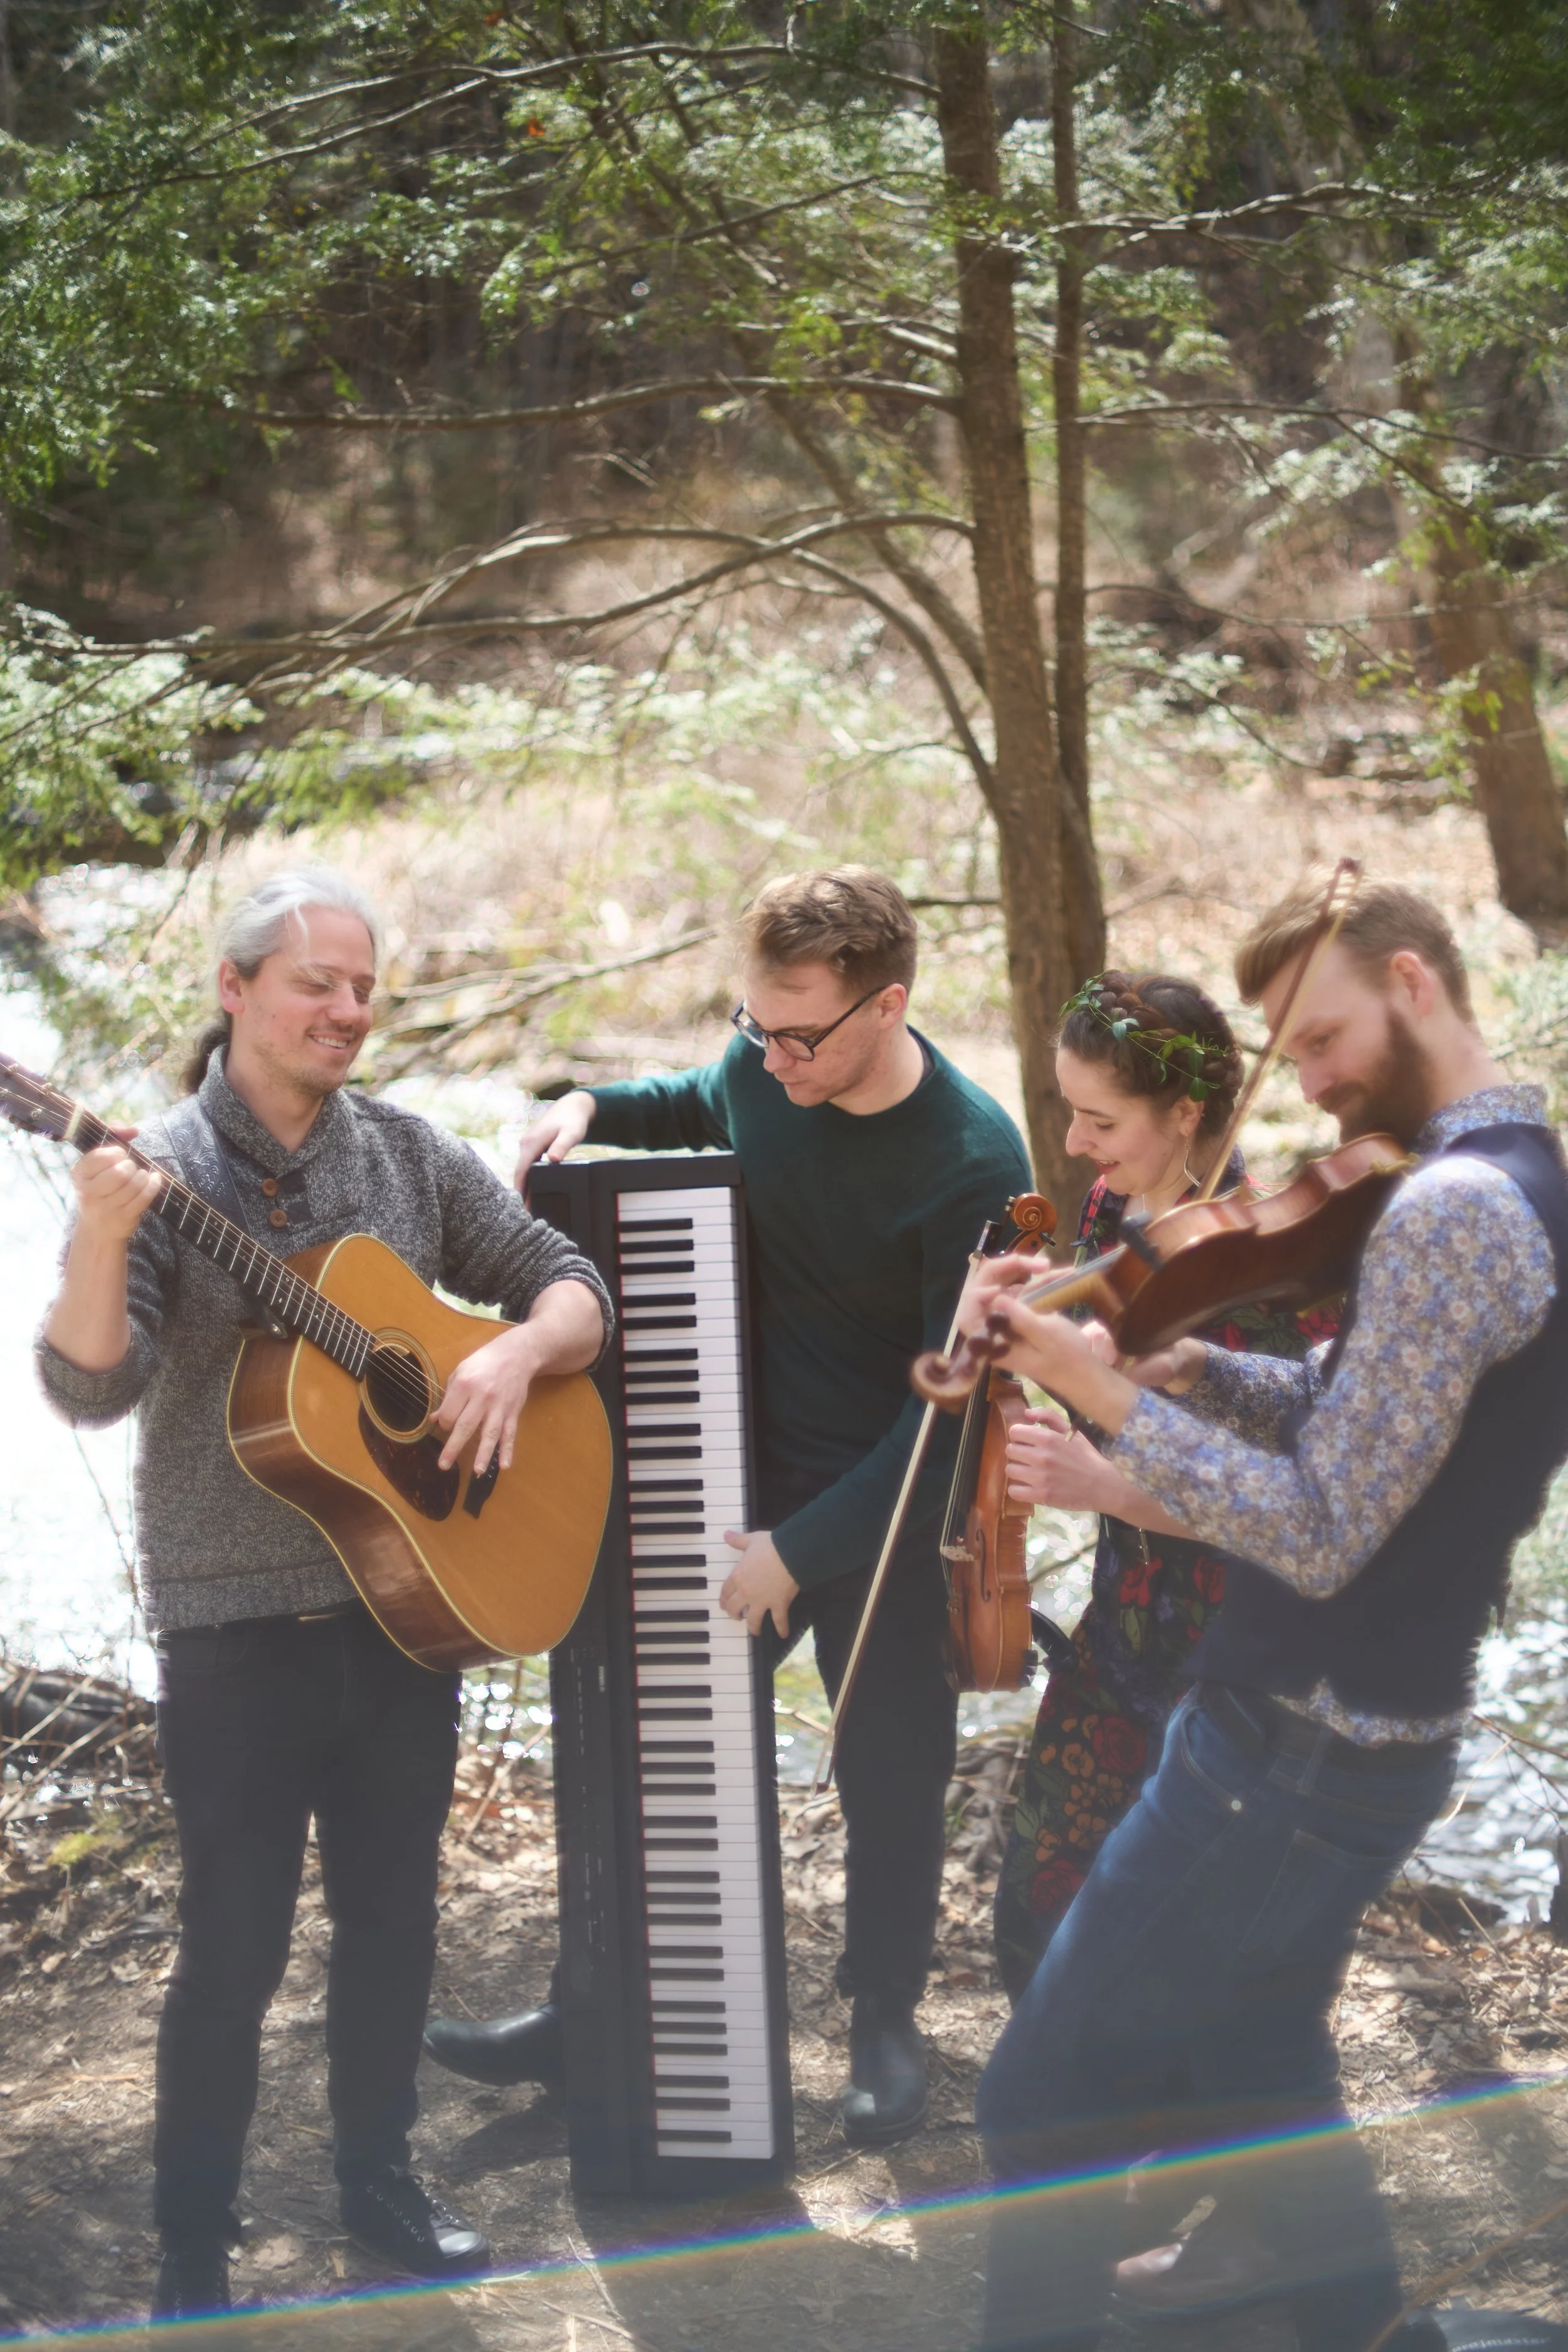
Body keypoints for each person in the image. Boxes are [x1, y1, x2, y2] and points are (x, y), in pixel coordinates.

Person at [961, 879, 1568, 2352]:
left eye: (1321, 1036)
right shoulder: (1523, 1169)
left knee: (1038, 2099)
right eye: (1289, 1051)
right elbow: (1365, 1427)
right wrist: (1197, 1378)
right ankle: (1367, 2327)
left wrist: (1104, 1395)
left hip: (1295, 1738)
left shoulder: (1447, 1211)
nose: (1306, 1081)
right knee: (1260, 2066)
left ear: (1413, 983)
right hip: (1364, 1735)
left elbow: (1315, 1527)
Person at [35, 869, 612, 2319]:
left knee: (394, 1919)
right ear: (235, 992)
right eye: (317, 986)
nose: (348, 1012)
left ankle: (379, 2178)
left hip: (406, 1605)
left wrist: (505, 1357)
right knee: (232, 1942)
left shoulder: (406, 1159)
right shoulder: (163, 1168)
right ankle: (191, 2246)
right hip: (232, 1621)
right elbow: (85, 1385)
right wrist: (101, 1236)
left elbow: (569, 1286)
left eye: (364, 989)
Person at [423, 866, 1032, 2146]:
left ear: (887, 1007)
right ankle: (594, 2011)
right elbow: (693, 1099)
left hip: (885, 1518)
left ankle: (880, 2019)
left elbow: (947, 1422)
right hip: (739, 1475)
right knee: (655, 1744)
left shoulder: (974, 1161)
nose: (774, 1055)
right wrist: (588, 1101)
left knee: (888, 1772)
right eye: (757, 1022)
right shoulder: (765, 1065)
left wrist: (796, 1558)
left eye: (801, 1031)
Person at [992, 971, 1336, 1999]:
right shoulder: (1105, 1212)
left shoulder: (1273, 1268)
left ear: (1186, 1113)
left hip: (1236, 1661)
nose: (1074, 1145)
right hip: (1121, 1627)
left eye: (1101, 1119)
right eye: (1067, 1110)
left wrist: (1105, 1487)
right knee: (1040, 1906)